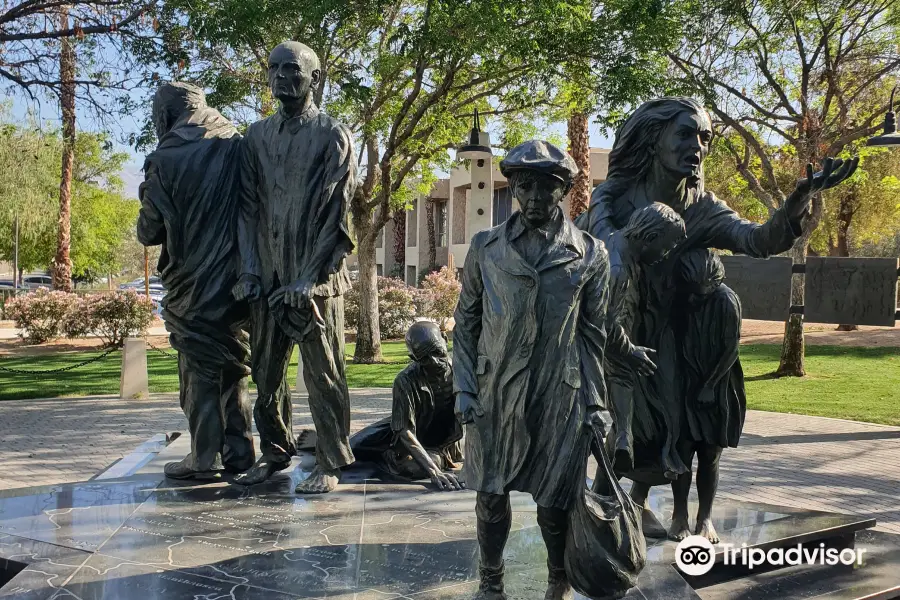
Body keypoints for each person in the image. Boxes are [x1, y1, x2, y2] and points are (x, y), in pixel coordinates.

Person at [576, 97, 858, 539]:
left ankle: (628, 501)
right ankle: (614, 503)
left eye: (705, 137)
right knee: (622, 423)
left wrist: (798, 199)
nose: (698, 146)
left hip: (680, 337)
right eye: (686, 133)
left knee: (666, 426)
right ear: (654, 139)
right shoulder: (615, 195)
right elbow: (599, 236)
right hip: (623, 326)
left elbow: (758, 239)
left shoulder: (704, 207)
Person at [454, 140, 611, 600]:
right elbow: (466, 323)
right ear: (514, 188)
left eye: (548, 188)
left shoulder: (590, 253)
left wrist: (597, 402)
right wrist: (465, 388)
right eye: (526, 187)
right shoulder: (485, 247)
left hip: (559, 394)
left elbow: (593, 336)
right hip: (494, 392)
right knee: (489, 496)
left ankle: (557, 579)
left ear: (563, 190)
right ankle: (491, 579)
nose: (536, 198)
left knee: (555, 503)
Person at [232, 41, 357, 494]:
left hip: (315, 280)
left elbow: (336, 214)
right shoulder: (255, 137)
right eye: (274, 68)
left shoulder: (333, 134)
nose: (281, 76)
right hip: (268, 277)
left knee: (324, 374)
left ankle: (329, 459)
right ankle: (274, 450)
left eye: (292, 69)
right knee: (266, 375)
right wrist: (250, 270)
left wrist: (310, 277)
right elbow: (246, 209)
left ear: (315, 78)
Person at [137, 82, 254, 481]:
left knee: (199, 368)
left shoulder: (165, 158)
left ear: (167, 113)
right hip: (236, 280)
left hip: (192, 281)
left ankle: (204, 456)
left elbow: (149, 231)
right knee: (233, 364)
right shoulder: (238, 145)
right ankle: (240, 450)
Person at [603, 203, 685, 474]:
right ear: (649, 237)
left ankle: (624, 438)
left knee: (623, 378)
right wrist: (630, 351)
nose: (666, 254)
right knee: (622, 375)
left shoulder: (617, 242)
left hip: (615, 343)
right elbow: (607, 323)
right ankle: (624, 437)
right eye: (666, 246)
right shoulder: (617, 269)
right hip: (604, 350)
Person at [669, 249, 744, 543]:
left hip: (718, 384)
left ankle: (705, 517)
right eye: (693, 293)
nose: (696, 300)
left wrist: (710, 385)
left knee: (710, 455)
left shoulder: (726, 301)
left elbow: (730, 350)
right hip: (685, 383)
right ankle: (678, 515)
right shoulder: (682, 296)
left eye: (702, 295)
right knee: (682, 451)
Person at [350, 321, 464, 491]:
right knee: (349, 450)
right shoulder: (405, 380)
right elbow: (405, 431)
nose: (434, 361)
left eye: (437, 352)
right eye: (424, 358)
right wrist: (434, 472)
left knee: (417, 468)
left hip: (438, 442)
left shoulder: (462, 369)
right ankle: (385, 455)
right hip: (406, 433)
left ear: (445, 339)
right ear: (413, 358)